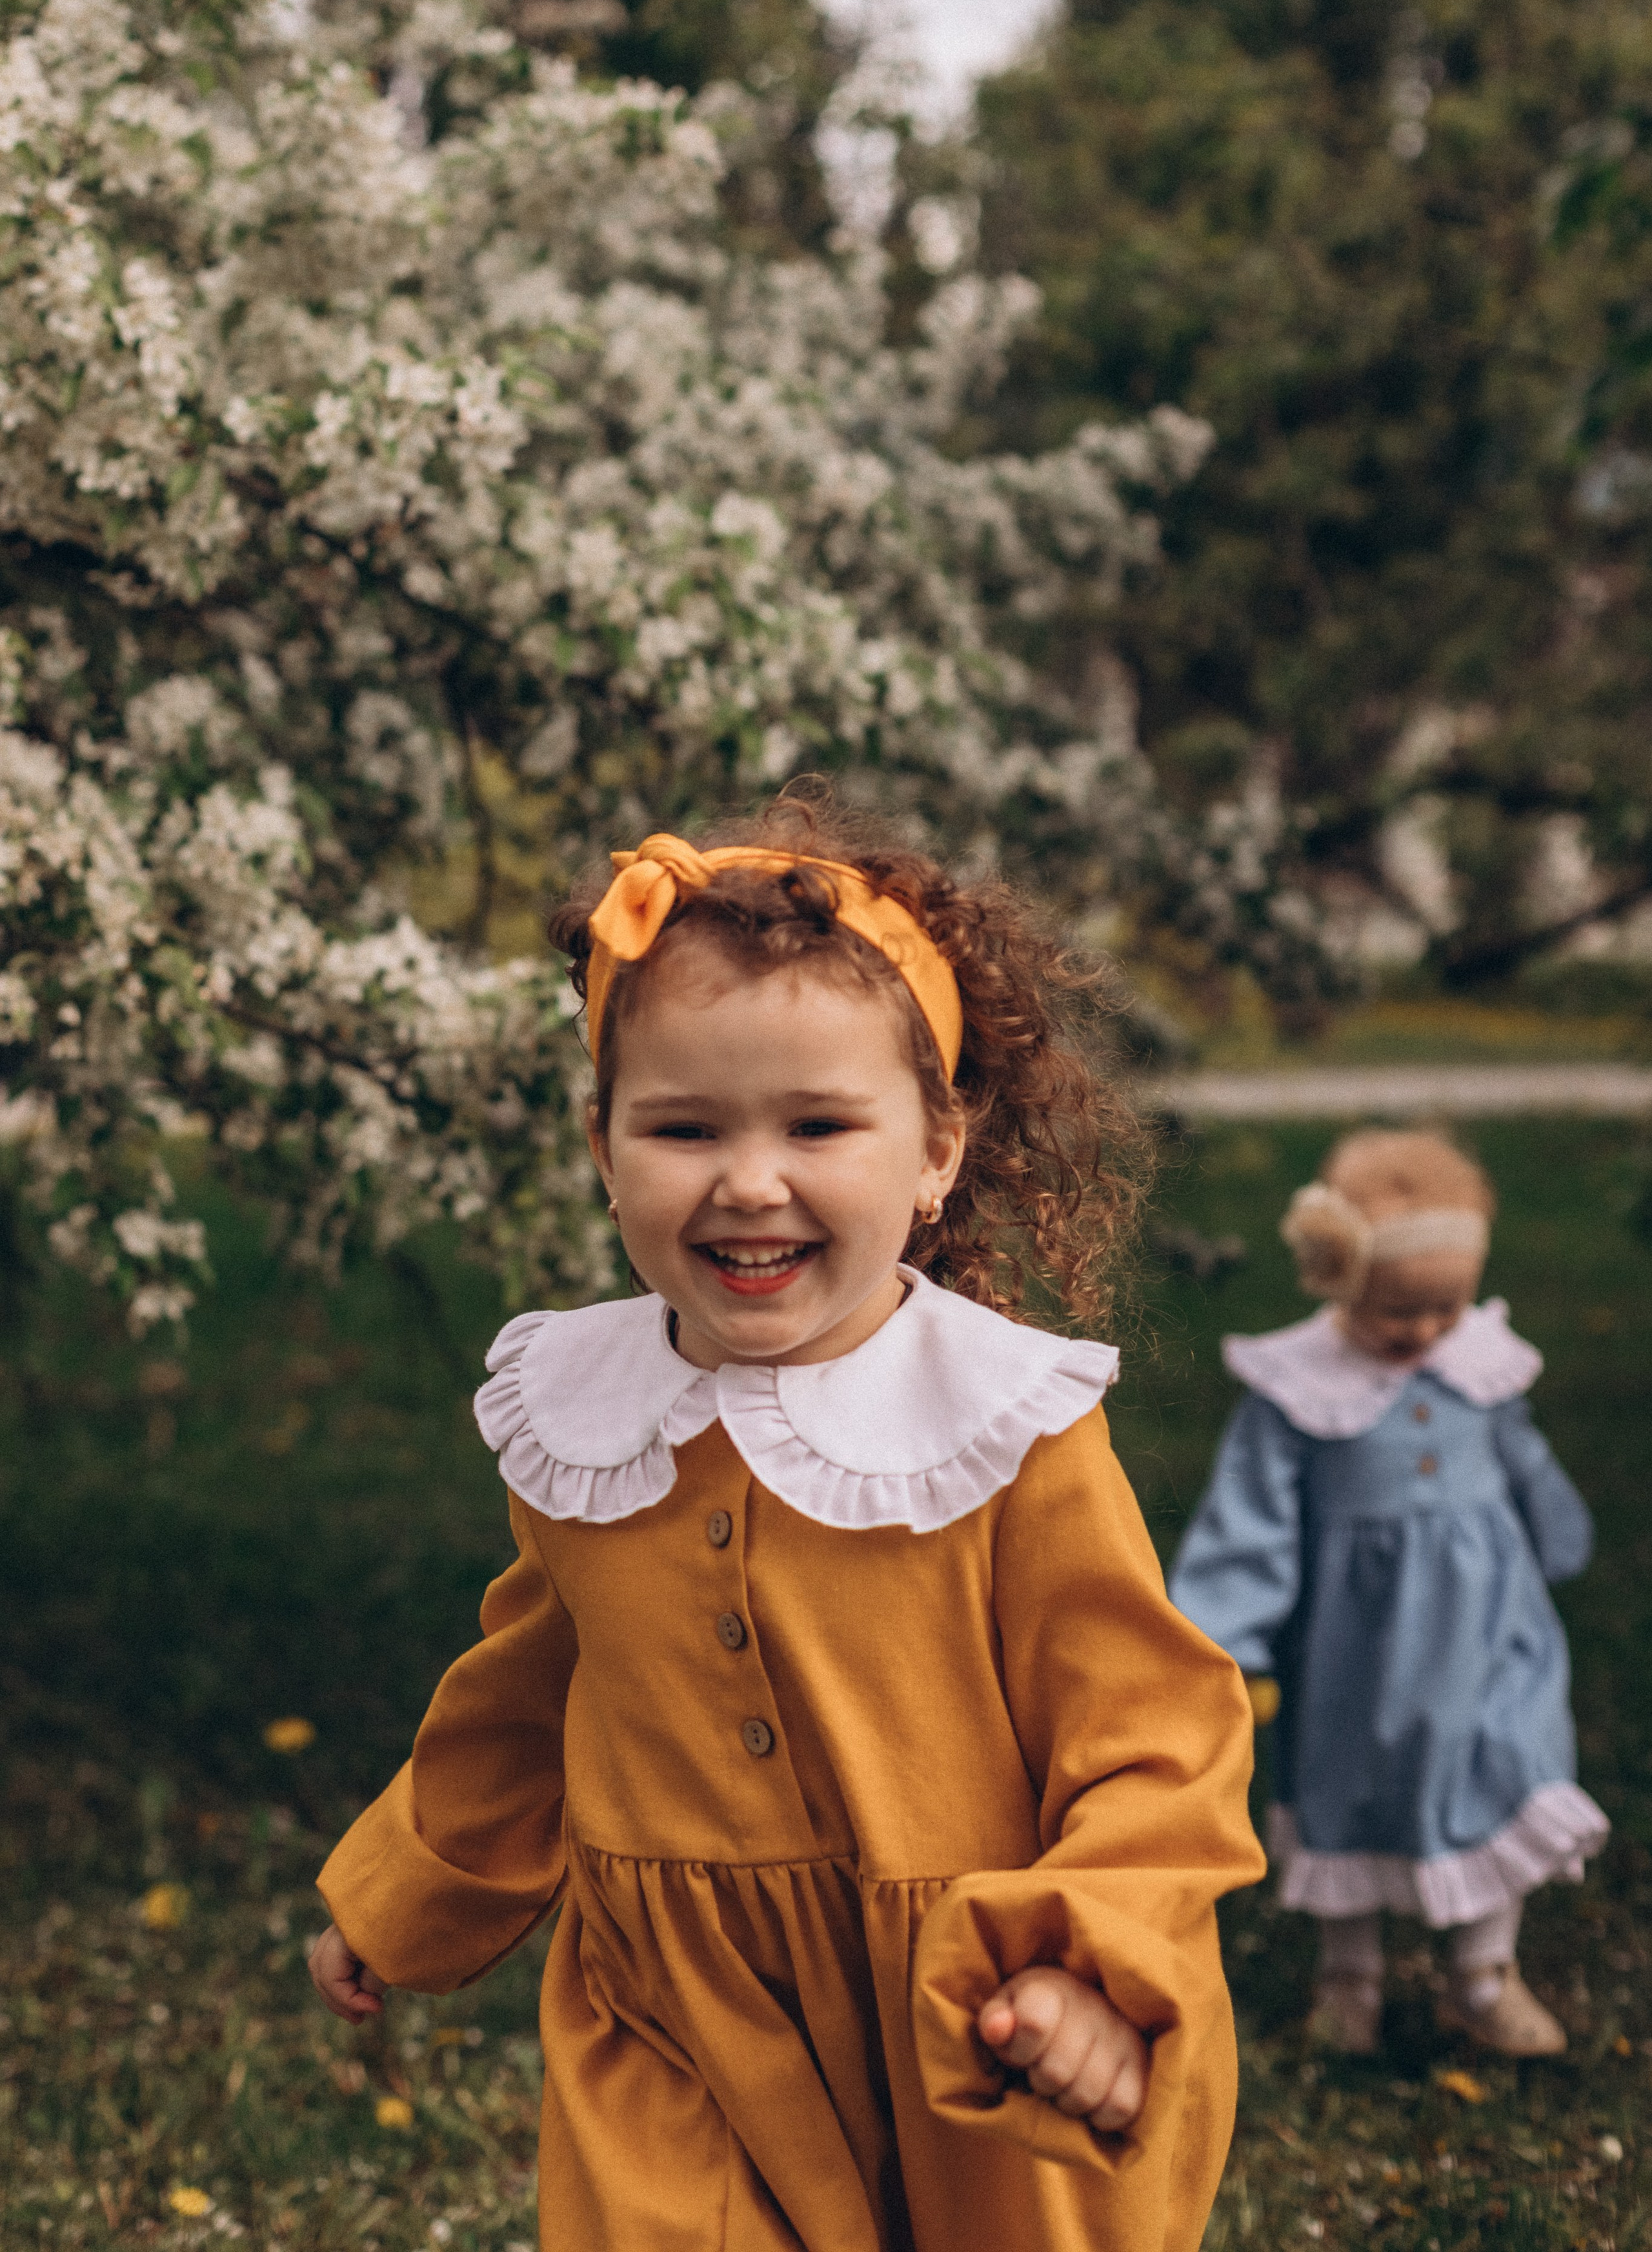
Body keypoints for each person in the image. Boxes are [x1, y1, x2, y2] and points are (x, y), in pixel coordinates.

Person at [307, 801, 1264, 2252]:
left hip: (962, 2000)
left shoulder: (1008, 1431)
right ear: (602, 1144)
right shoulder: (585, 1418)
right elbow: (527, 1694)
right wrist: (402, 1896)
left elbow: (1154, 1736)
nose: (748, 1179)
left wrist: (1089, 1961)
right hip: (674, 2008)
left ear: (936, 1145)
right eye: (683, 1128)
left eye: (818, 1125)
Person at [1169, 1128, 1607, 2059]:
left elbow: (1518, 1453)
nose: (1422, 1332)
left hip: (1493, 1628)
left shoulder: (1476, 1363)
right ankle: (1350, 1975)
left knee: (1510, 1760)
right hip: (1356, 1643)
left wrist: (1555, 1525)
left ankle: (1484, 1971)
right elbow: (1252, 1514)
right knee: (1353, 1787)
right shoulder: (1297, 1390)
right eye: (1397, 1311)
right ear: (1339, 1279)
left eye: (1445, 1309)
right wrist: (1230, 1632)